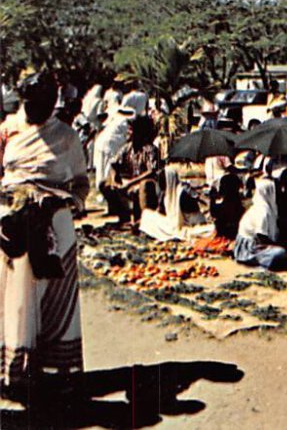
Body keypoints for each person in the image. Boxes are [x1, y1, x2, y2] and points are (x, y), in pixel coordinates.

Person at [0, 71, 89, 401]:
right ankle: (15, 370)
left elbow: (81, 183)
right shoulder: (7, 131)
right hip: (14, 222)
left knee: (55, 296)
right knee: (15, 297)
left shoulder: (66, 136)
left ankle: (57, 371)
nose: (38, 109)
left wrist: (64, 201)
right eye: (32, 103)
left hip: (55, 225)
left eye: (46, 103)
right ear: (24, 101)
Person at [99, 116, 161, 223]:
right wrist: (114, 179)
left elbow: (151, 171)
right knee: (105, 184)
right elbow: (114, 164)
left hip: (148, 187)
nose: (128, 132)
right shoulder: (127, 148)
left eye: (131, 130)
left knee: (144, 185)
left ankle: (142, 220)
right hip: (130, 183)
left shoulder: (150, 150)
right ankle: (124, 216)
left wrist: (131, 183)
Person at [139, 166, 211, 241]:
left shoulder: (182, 193)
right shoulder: (167, 193)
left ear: (168, 179)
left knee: (203, 231)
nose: (160, 183)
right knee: (146, 215)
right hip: (173, 224)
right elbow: (163, 213)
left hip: (188, 226)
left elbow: (194, 219)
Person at [234, 178, 287, 269]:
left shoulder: (268, 207)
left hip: (256, 243)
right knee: (281, 253)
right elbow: (262, 237)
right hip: (250, 247)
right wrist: (280, 245)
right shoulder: (262, 211)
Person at [209, 173, 245, 240]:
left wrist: (212, 199)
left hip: (227, 237)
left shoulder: (228, 204)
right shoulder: (238, 203)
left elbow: (214, 213)